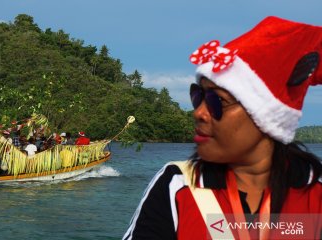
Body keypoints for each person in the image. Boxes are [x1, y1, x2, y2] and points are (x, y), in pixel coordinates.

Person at [123, 16, 322, 240]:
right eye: (198, 96)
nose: (198, 112)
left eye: (218, 101)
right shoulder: (178, 185)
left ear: (267, 119)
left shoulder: (314, 194)